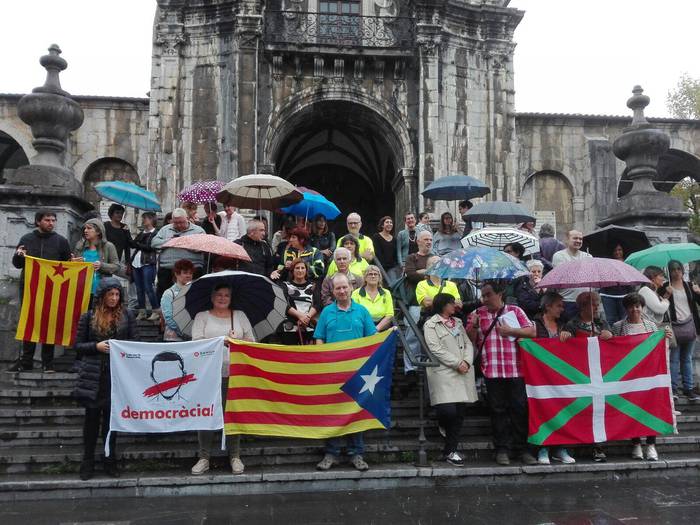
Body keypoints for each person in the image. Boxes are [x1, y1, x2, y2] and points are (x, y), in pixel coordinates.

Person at [466, 281, 537, 466]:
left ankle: (522, 449)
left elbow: (532, 331)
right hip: (492, 370)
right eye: (483, 295)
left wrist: (511, 330)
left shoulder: (515, 311)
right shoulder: (477, 314)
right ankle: (502, 449)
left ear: (500, 294)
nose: (485, 299)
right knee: (497, 411)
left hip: (516, 369)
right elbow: (471, 341)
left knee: (519, 410)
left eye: (488, 294)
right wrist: (473, 326)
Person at [73, 278, 136, 480]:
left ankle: (109, 460)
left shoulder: (127, 316)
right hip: (93, 376)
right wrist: (96, 347)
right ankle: (88, 461)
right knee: (91, 421)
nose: (114, 298)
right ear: (102, 296)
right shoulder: (88, 316)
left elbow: (135, 343)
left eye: (117, 294)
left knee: (111, 423)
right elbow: (77, 346)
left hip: (116, 377)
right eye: (111, 294)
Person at [314, 273, 377, 472]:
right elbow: (319, 338)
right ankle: (330, 453)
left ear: (351, 287)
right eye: (337, 288)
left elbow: (373, 339)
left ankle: (356, 454)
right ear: (332, 292)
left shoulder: (362, 311)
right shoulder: (326, 312)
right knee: (331, 413)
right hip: (332, 372)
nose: (341, 291)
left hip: (357, 372)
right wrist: (323, 361)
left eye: (344, 287)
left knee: (355, 413)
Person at [190, 283, 255, 476]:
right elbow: (195, 343)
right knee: (206, 414)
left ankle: (235, 456)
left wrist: (239, 341)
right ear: (212, 297)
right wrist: (222, 341)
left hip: (235, 374)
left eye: (226, 295)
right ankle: (204, 457)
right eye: (218, 294)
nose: (222, 298)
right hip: (208, 375)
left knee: (233, 415)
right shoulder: (202, 316)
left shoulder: (239, 316)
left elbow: (253, 342)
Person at [8, 210, 71, 372]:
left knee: (49, 324)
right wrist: (19, 255)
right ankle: (26, 362)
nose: (51, 223)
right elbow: (17, 264)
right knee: (30, 323)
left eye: (53, 220)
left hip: (52, 289)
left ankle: (47, 363)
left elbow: (68, 266)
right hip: (30, 288)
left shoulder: (61, 241)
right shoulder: (26, 239)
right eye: (47, 220)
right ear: (38, 222)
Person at [423, 293, 477, 466]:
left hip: (463, 371)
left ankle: (451, 450)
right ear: (443, 305)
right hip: (444, 371)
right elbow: (435, 348)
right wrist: (456, 362)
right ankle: (443, 427)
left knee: (459, 413)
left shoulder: (459, 323)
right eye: (451, 303)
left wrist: (467, 361)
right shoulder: (431, 324)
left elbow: (468, 343)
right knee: (448, 411)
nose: (455, 306)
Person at [611, 292, 666, 461]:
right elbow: (613, 350)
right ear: (626, 309)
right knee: (632, 409)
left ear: (642, 308)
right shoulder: (618, 326)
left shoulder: (651, 326)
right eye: (631, 306)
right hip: (628, 377)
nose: (634, 309)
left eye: (637, 306)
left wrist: (666, 337)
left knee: (651, 408)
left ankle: (651, 444)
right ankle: (636, 444)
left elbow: (658, 349)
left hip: (649, 376)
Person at [560, 291, 612, 462]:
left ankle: (598, 447)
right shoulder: (572, 324)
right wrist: (566, 337)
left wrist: (609, 336)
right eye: (593, 304)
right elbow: (566, 349)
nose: (597, 308)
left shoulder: (602, 322)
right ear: (583, 307)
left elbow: (613, 344)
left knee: (599, 410)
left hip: (600, 373)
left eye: (597, 304)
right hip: (579, 374)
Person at [532, 291, 576, 465]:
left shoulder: (564, 325)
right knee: (543, 412)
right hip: (540, 377)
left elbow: (572, 346)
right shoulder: (534, 324)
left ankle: (560, 448)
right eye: (559, 305)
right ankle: (543, 448)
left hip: (560, 377)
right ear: (548, 306)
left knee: (562, 412)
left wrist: (568, 336)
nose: (562, 309)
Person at [665, 259, 700, 401]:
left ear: (682, 270)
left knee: (687, 359)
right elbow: (660, 305)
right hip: (674, 327)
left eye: (678, 269)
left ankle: (689, 389)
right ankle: (673, 389)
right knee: (674, 359)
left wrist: (698, 292)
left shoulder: (690, 285)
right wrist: (666, 295)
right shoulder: (665, 287)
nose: (676, 272)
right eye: (673, 269)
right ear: (669, 272)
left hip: (690, 326)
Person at [151, 208, 205, 299]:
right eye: (176, 223)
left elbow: (204, 246)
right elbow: (154, 243)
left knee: (192, 296)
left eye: (181, 222)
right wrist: (169, 241)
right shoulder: (165, 229)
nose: (179, 225)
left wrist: (187, 244)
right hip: (168, 268)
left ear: (187, 218)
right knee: (164, 295)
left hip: (192, 268)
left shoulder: (198, 230)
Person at [73, 218, 120, 298]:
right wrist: (72, 262)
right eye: (85, 228)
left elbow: (116, 267)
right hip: (80, 290)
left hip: (101, 291)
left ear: (98, 231)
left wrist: (101, 265)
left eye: (89, 228)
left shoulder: (108, 246)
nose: (85, 231)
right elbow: (73, 267)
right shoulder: (79, 246)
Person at [552, 230, 592, 320]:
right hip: (568, 301)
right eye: (575, 238)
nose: (578, 241)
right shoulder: (559, 256)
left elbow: (590, 276)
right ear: (567, 240)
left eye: (580, 239)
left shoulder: (588, 256)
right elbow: (565, 275)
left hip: (586, 301)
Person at [130, 211, 160, 322]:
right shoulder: (141, 233)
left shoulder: (155, 233)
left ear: (152, 219)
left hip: (147, 262)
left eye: (145, 218)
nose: (143, 220)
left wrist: (138, 244)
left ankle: (156, 311)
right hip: (136, 262)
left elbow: (150, 247)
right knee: (139, 289)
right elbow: (133, 243)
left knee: (148, 287)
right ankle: (142, 311)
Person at [281, 259, 319, 345]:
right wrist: (300, 315)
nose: (300, 270)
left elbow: (318, 304)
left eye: (303, 268)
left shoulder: (313, 285)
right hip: (290, 327)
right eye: (297, 268)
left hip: (308, 325)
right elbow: (283, 303)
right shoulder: (285, 285)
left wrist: (307, 317)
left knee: (308, 356)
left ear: (306, 270)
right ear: (292, 270)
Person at [160, 259, 195, 342]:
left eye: (191, 273)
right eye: (185, 272)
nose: (188, 275)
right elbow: (169, 318)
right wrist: (184, 334)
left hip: (192, 338)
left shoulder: (194, 292)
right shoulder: (169, 293)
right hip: (173, 338)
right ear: (177, 274)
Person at [352, 265, 394, 331]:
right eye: (370, 274)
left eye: (375, 274)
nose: (373, 276)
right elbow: (354, 314)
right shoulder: (356, 293)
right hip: (362, 327)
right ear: (365, 278)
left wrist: (376, 329)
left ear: (379, 278)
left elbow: (389, 314)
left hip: (382, 327)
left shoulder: (386, 293)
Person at [600, 244, 634, 325]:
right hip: (608, 295)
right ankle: (613, 337)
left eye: (619, 250)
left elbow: (631, 279)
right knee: (611, 319)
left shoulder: (628, 262)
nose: (617, 252)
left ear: (623, 251)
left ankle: (623, 337)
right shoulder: (606, 263)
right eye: (615, 250)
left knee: (624, 319)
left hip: (624, 295)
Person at [103, 203, 132, 271]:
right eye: (117, 213)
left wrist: (128, 263)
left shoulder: (124, 227)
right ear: (111, 214)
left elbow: (128, 245)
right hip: (105, 258)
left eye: (121, 213)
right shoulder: (106, 226)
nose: (120, 215)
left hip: (117, 261)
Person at [372, 216, 399, 281]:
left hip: (391, 268)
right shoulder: (376, 237)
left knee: (393, 285)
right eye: (387, 222)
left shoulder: (394, 239)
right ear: (382, 225)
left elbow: (395, 255)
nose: (389, 224)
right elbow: (377, 253)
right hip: (379, 267)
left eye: (391, 222)